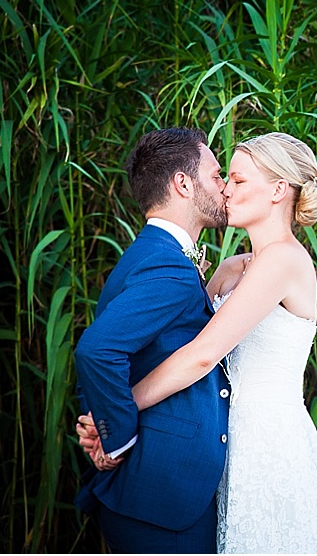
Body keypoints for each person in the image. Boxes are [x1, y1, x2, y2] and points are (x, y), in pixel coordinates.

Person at [130, 132, 317, 553]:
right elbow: (177, 340)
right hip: (220, 439)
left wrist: (119, 405)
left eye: (239, 181)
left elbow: (202, 356)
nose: (225, 189)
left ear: (279, 189)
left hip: (269, 444)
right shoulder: (231, 267)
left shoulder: (284, 260)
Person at [73, 127, 230, 553]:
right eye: (217, 175)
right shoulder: (168, 267)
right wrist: (115, 434)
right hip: (161, 494)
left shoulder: (149, 253)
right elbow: (97, 349)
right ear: (183, 183)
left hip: (157, 492)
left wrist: (96, 417)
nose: (225, 186)